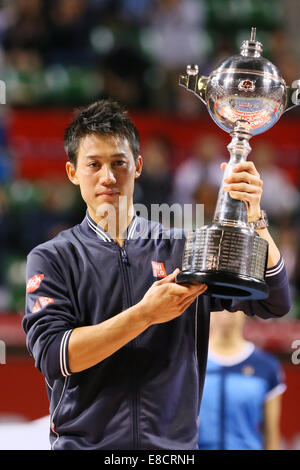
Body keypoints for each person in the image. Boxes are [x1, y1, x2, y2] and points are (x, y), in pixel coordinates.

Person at [22, 99, 290, 450]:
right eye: (94, 164)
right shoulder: (53, 258)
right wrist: (145, 314)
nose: (108, 176)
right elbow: (56, 356)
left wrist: (255, 219)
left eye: (119, 162)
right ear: (73, 172)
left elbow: (274, 301)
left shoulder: (183, 248)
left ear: (138, 166)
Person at [197, 310, 286, 450]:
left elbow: (271, 434)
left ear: (244, 310)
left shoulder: (266, 366)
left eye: (230, 304)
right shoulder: (190, 361)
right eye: (217, 304)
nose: (225, 312)